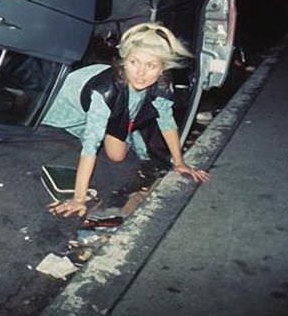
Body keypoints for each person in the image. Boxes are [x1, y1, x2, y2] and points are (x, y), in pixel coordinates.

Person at [44, 22, 210, 218]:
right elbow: (90, 146)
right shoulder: (104, 91)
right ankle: (124, 129)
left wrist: (179, 162)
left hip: (117, 109)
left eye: (151, 65)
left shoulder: (163, 85)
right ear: (124, 62)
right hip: (67, 112)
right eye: (134, 62)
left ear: (162, 69)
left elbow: (166, 121)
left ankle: (126, 130)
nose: (140, 73)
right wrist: (79, 199)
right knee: (79, 137)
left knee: (117, 156)